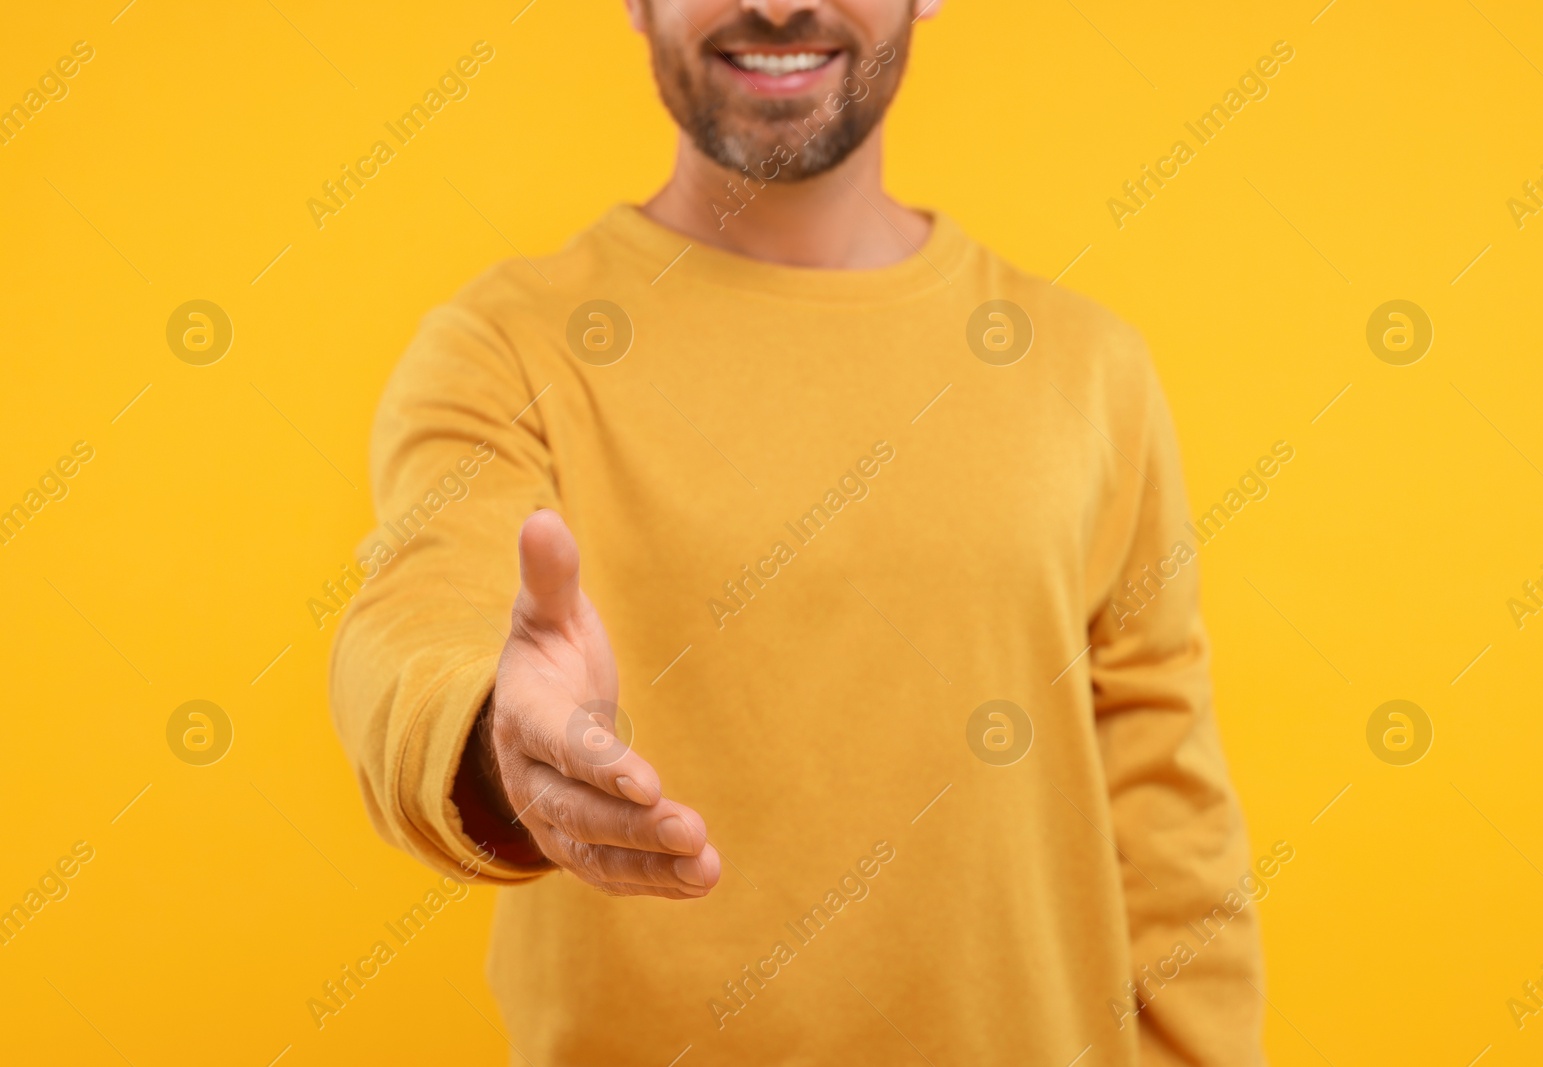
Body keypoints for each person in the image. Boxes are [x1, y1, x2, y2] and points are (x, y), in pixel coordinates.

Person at [330, 1, 1266, 1063]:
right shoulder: (502, 349)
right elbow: (419, 609)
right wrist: (498, 732)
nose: (775, 4)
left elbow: (1168, 812)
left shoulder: (1090, 370)